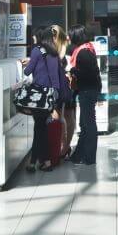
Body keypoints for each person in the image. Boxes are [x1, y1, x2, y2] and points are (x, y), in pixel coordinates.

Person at [23, 27, 64, 172]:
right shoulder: (53, 53)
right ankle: (40, 161)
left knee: (39, 128)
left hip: (38, 95)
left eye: (34, 36)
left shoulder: (36, 51)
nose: (33, 38)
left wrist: (26, 65)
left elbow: (27, 71)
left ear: (40, 37)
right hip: (50, 94)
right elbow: (54, 76)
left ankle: (39, 161)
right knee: (41, 128)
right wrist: (55, 96)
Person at [67, 25, 101, 166]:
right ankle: (78, 155)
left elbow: (87, 74)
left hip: (88, 90)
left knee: (88, 124)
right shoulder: (86, 48)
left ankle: (89, 157)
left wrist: (73, 70)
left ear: (76, 36)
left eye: (70, 35)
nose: (69, 38)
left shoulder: (83, 52)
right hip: (89, 89)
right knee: (85, 124)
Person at [51, 24, 75, 158]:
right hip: (56, 87)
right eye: (51, 35)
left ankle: (66, 146)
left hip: (68, 87)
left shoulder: (67, 49)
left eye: (54, 35)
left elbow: (72, 65)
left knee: (69, 117)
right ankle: (61, 146)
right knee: (57, 117)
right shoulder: (50, 49)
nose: (53, 38)